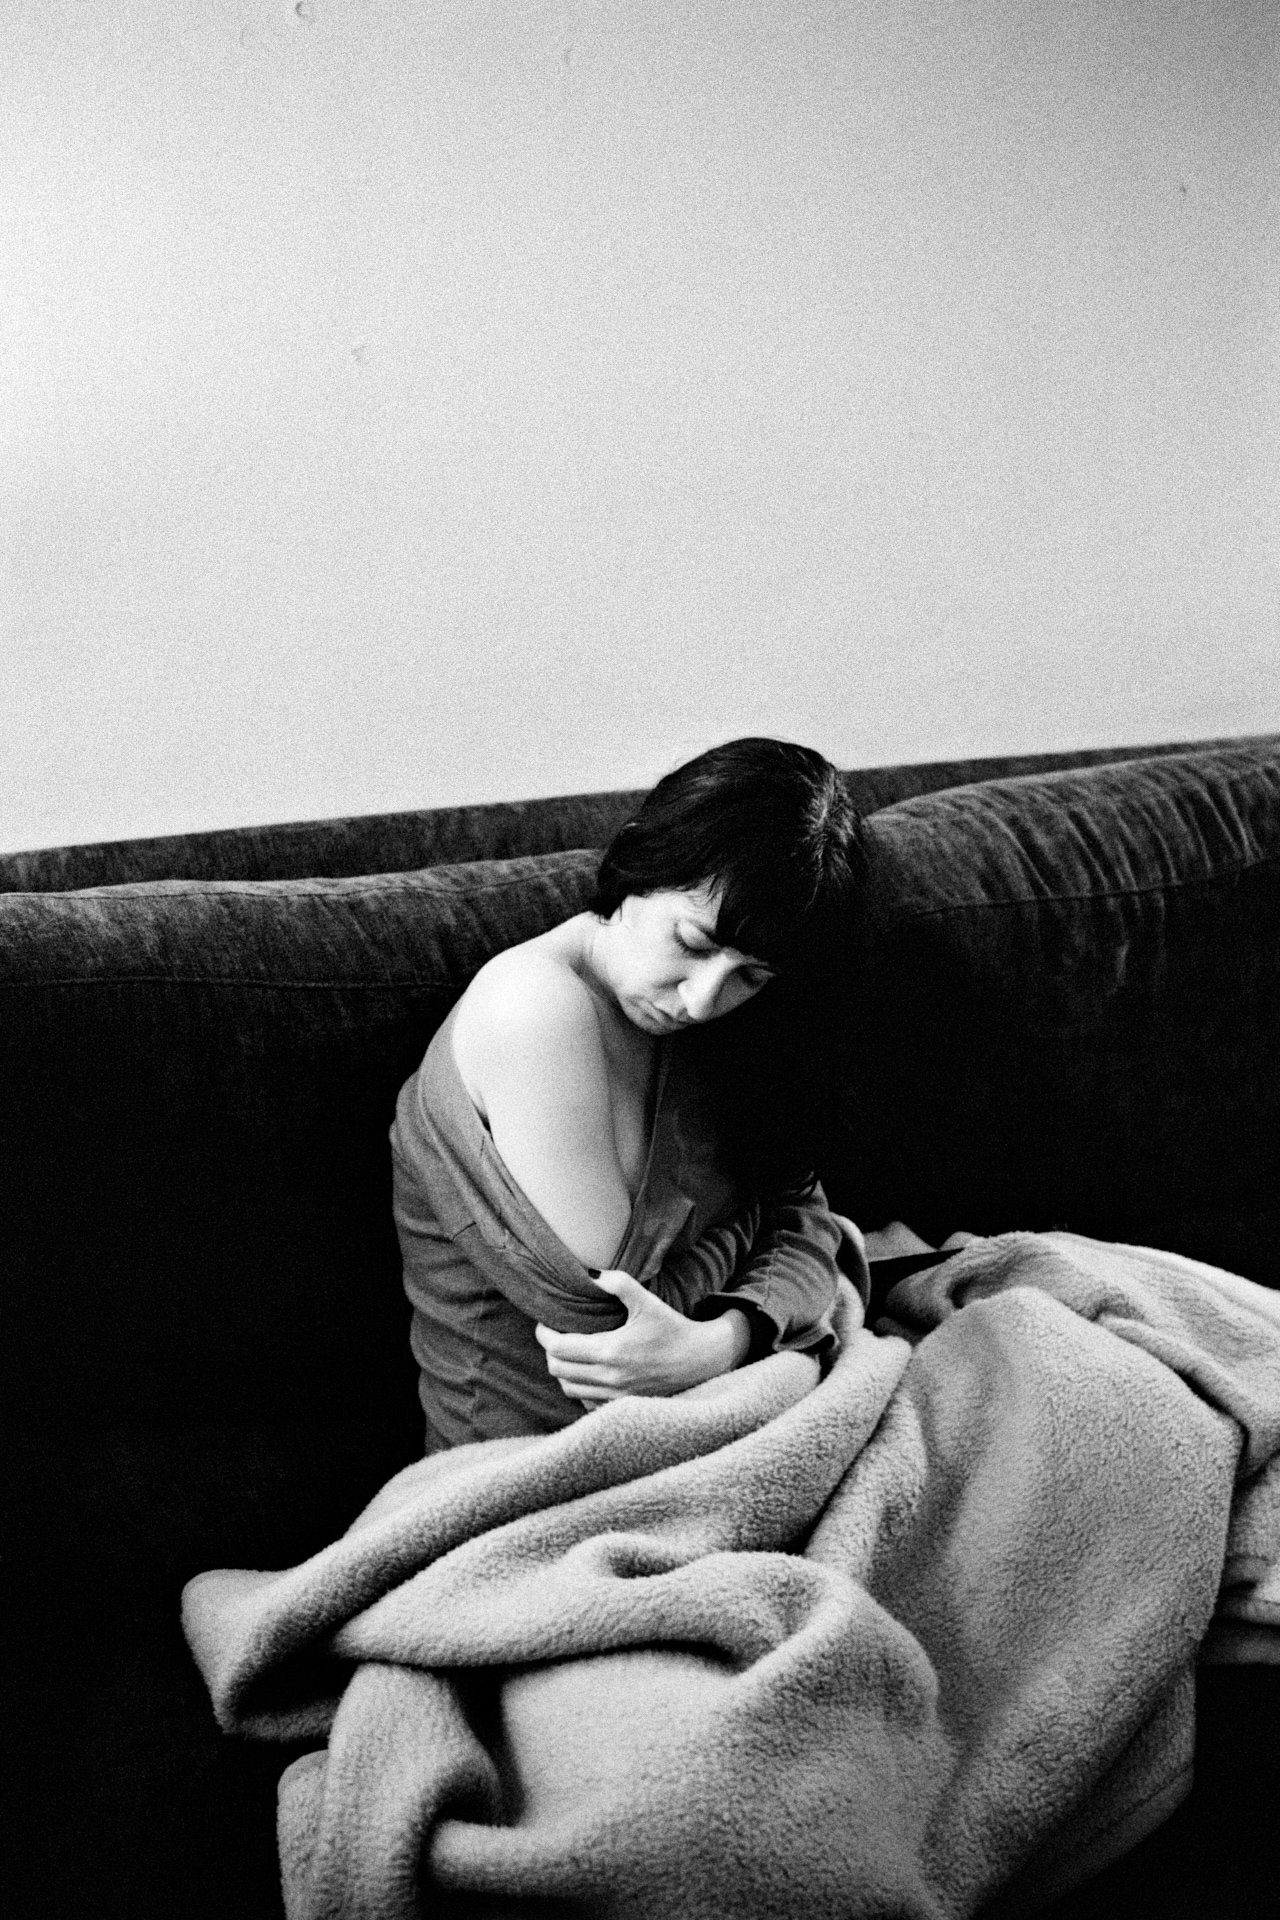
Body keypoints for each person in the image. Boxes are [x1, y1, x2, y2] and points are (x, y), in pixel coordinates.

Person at [390, 737, 872, 1452]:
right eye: (693, 941)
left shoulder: (719, 1027)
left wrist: (725, 1338)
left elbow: (804, 1208)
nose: (704, 1000)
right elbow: (616, 1326)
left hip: (717, 1407)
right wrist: (761, 1239)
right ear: (639, 862)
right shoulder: (535, 1009)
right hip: (534, 1462)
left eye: (750, 976)